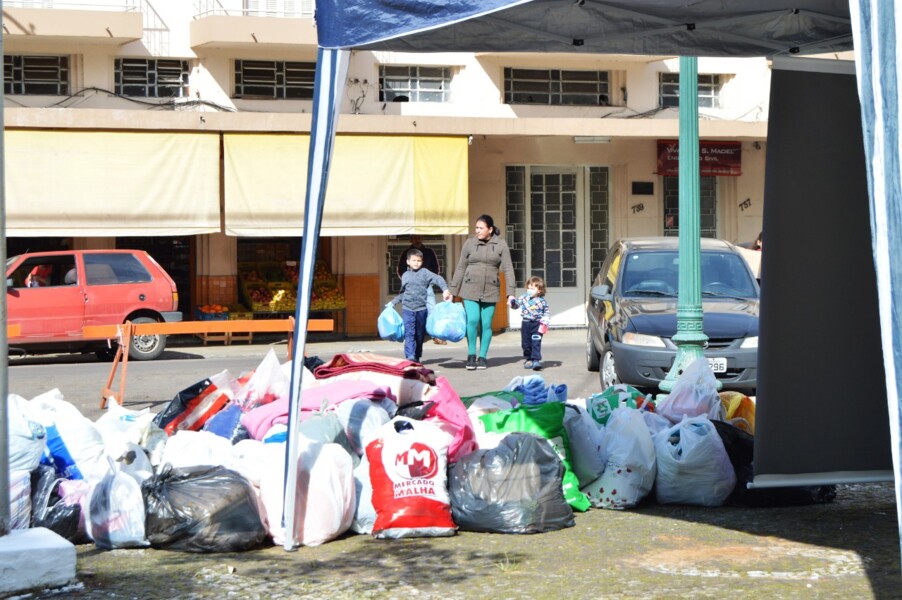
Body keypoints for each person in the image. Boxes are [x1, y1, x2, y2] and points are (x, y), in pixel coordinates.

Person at [449, 214, 517, 370]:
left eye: (481, 228)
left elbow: (508, 269)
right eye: (476, 228)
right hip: (469, 288)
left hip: (491, 290)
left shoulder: (501, 244)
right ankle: (471, 355)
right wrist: (453, 291)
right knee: (472, 320)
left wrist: (510, 293)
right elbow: (460, 267)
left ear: (490, 229)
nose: (477, 231)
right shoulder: (469, 243)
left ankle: (483, 357)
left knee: (486, 324)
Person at [391, 248, 453, 363]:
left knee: (419, 335)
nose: (416, 263)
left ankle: (417, 355)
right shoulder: (405, 275)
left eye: (419, 261)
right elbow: (403, 293)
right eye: (414, 260)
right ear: (408, 261)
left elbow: (438, 279)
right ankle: (410, 356)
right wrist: (392, 303)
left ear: (422, 262)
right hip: (408, 309)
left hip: (421, 310)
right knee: (409, 333)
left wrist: (445, 290)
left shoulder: (425, 272)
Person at [397, 235, 446, 344]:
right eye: (415, 238)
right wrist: (408, 282)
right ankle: (414, 336)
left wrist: (430, 281)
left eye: (419, 238)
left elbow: (436, 268)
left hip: (427, 287)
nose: (417, 240)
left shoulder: (429, 252)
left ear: (422, 238)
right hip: (411, 289)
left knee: (432, 309)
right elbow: (400, 270)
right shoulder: (406, 253)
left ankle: (435, 336)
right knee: (412, 312)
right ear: (411, 240)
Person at [517, 275, 550, 371]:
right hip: (526, 323)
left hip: (537, 324)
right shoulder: (523, 298)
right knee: (525, 344)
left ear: (539, 290)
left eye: (532, 288)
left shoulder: (542, 301)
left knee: (536, 342)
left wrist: (545, 320)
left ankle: (536, 360)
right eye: (528, 288)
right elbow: (516, 305)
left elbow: (546, 312)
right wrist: (512, 302)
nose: (529, 290)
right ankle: (529, 359)